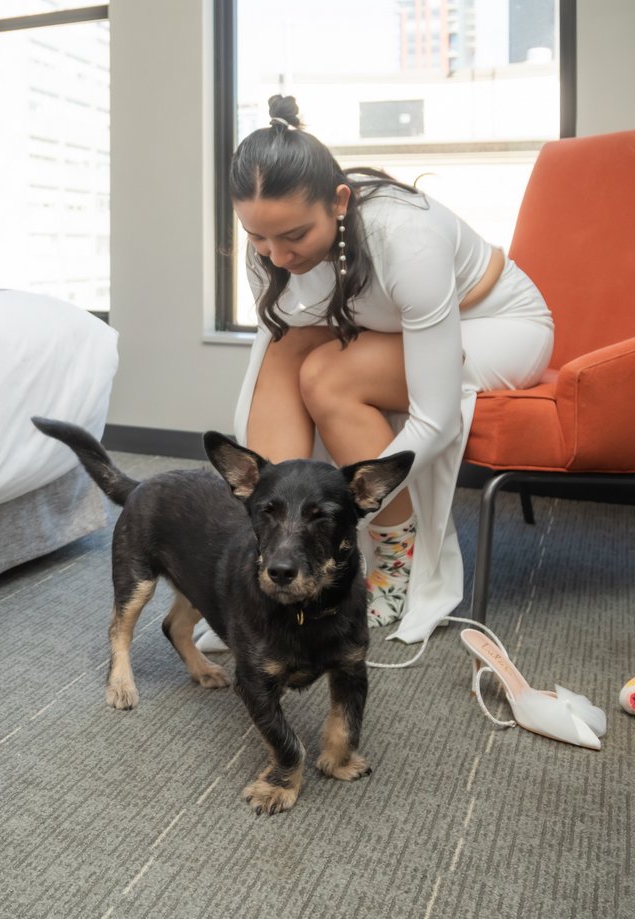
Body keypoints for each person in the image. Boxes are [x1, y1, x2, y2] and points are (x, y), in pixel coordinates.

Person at [204, 94, 554, 647]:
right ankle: (271, 554)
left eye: (295, 236)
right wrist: (276, 524)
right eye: (258, 236)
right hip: (395, 332)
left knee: (328, 376)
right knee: (292, 352)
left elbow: (436, 419)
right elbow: (267, 368)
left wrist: (343, 514)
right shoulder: (270, 250)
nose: (277, 256)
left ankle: (396, 559)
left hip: (496, 325)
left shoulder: (406, 238)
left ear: (339, 201)